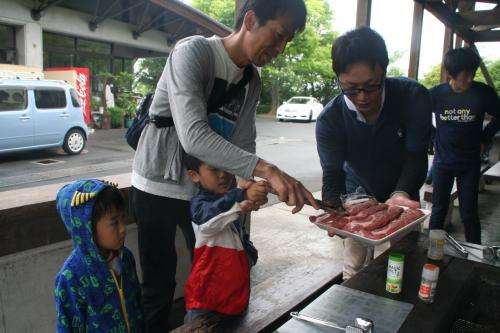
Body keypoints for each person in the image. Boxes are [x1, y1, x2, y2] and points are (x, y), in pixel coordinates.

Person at [130, 1, 318, 331]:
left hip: (202, 190)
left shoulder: (251, 82)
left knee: (217, 277)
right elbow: (194, 137)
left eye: (287, 40)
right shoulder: (193, 54)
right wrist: (269, 171)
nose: (281, 48)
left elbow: (242, 147)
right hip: (156, 183)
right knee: (158, 286)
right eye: (277, 35)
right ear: (250, 19)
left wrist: (254, 186)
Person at [316, 27, 431, 279]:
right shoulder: (330, 119)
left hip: (403, 190)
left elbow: (416, 155)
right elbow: (332, 173)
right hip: (358, 195)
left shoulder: (413, 97)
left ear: (384, 71)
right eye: (350, 88)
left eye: (371, 86)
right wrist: (332, 207)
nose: (362, 97)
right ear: (338, 78)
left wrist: (401, 192)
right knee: (354, 266)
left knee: (400, 263)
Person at [182, 154, 268, 322]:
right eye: (214, 169)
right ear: (194, 176)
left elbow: (237, 236)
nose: (222, 174)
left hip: (235, 297)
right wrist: (241, 197)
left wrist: (249, 254)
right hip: (206, 302)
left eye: (226, 167)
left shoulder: (227, 200)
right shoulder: (200, 206)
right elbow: (211, 220)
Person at [429, 47, 500, 244]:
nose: (470, 79)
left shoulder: (483, 93)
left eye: (472, 74)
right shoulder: (436, 94)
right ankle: (432, 254)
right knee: (438, 210)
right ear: (450, 74)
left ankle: (474, 257)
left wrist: (485, 138)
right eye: (465, 75)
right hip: (443, 162)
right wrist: (433, 136)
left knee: (469, 212)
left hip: (469, 163)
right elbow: (417, 116)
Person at [54, 179, 143, 332]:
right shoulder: (71, 278)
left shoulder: (125, 257)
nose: (123, 229)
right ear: (87, 228)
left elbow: (138, 306)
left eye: (123, 218)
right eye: (114, 223)